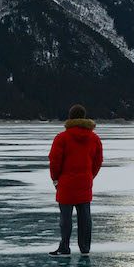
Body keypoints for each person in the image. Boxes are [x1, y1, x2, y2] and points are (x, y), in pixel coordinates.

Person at [48, 104, 103, 256]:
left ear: (70, 117)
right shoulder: (94, 138)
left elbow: (54, 160)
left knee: (65, 218)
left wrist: (55, 179)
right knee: (85, 217)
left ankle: (64, 247)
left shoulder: (62, 138)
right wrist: (90, 176)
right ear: (84, 117)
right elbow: (98, 161)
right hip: (85, 182)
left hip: (66, 183)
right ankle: (85, 248)